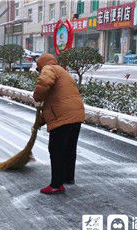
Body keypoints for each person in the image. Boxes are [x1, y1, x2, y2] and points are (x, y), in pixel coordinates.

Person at [33, 53, 85, 195]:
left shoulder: (49, 68)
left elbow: (44, 83)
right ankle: (68, 178)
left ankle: (56, 184)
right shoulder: (62, 72)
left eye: (38, 69)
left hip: (64, 117)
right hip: (76, 115)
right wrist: (40, 122)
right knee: (69, 149)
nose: (39, 71)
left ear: (42, 64)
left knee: (56, 150)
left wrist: (36, 96)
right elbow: (56, 103)